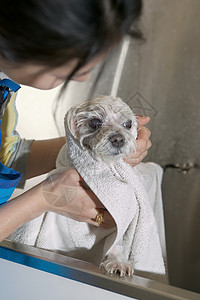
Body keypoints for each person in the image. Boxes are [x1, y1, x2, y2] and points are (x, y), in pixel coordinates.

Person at [0, 0, 151, 242]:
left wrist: (89, 146)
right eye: (70, 69)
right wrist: (45, 198)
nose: (84, 78)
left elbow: (5, 157)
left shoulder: (4, 82)